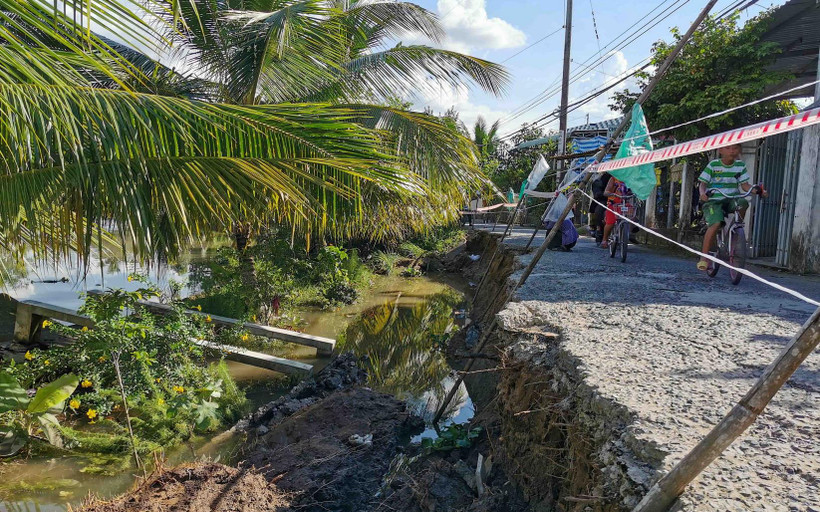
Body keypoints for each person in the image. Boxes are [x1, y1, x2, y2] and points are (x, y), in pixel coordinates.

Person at [696, 144, 767, 271]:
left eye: (735, 148)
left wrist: (758, 191)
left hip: (732, 199)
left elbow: (745, 186)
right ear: (720, 150)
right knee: (716, 223)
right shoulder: (713, 165)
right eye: (728, 148)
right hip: (714, 201)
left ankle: (735, 228)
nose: (732, 151)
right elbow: (703, 184)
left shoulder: (740, 166)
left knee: (743, 202)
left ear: (739, 150)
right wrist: (702, 193)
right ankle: (704, 257)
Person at [600, 176, 631, 249]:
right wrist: (611, 194)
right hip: (613, 204)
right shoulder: (613, 179)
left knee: (632, 217)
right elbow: (606, 192)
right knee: (610, 222)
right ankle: (604, 239)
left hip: (625, 203)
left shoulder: (630, 178)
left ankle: (626, 235)